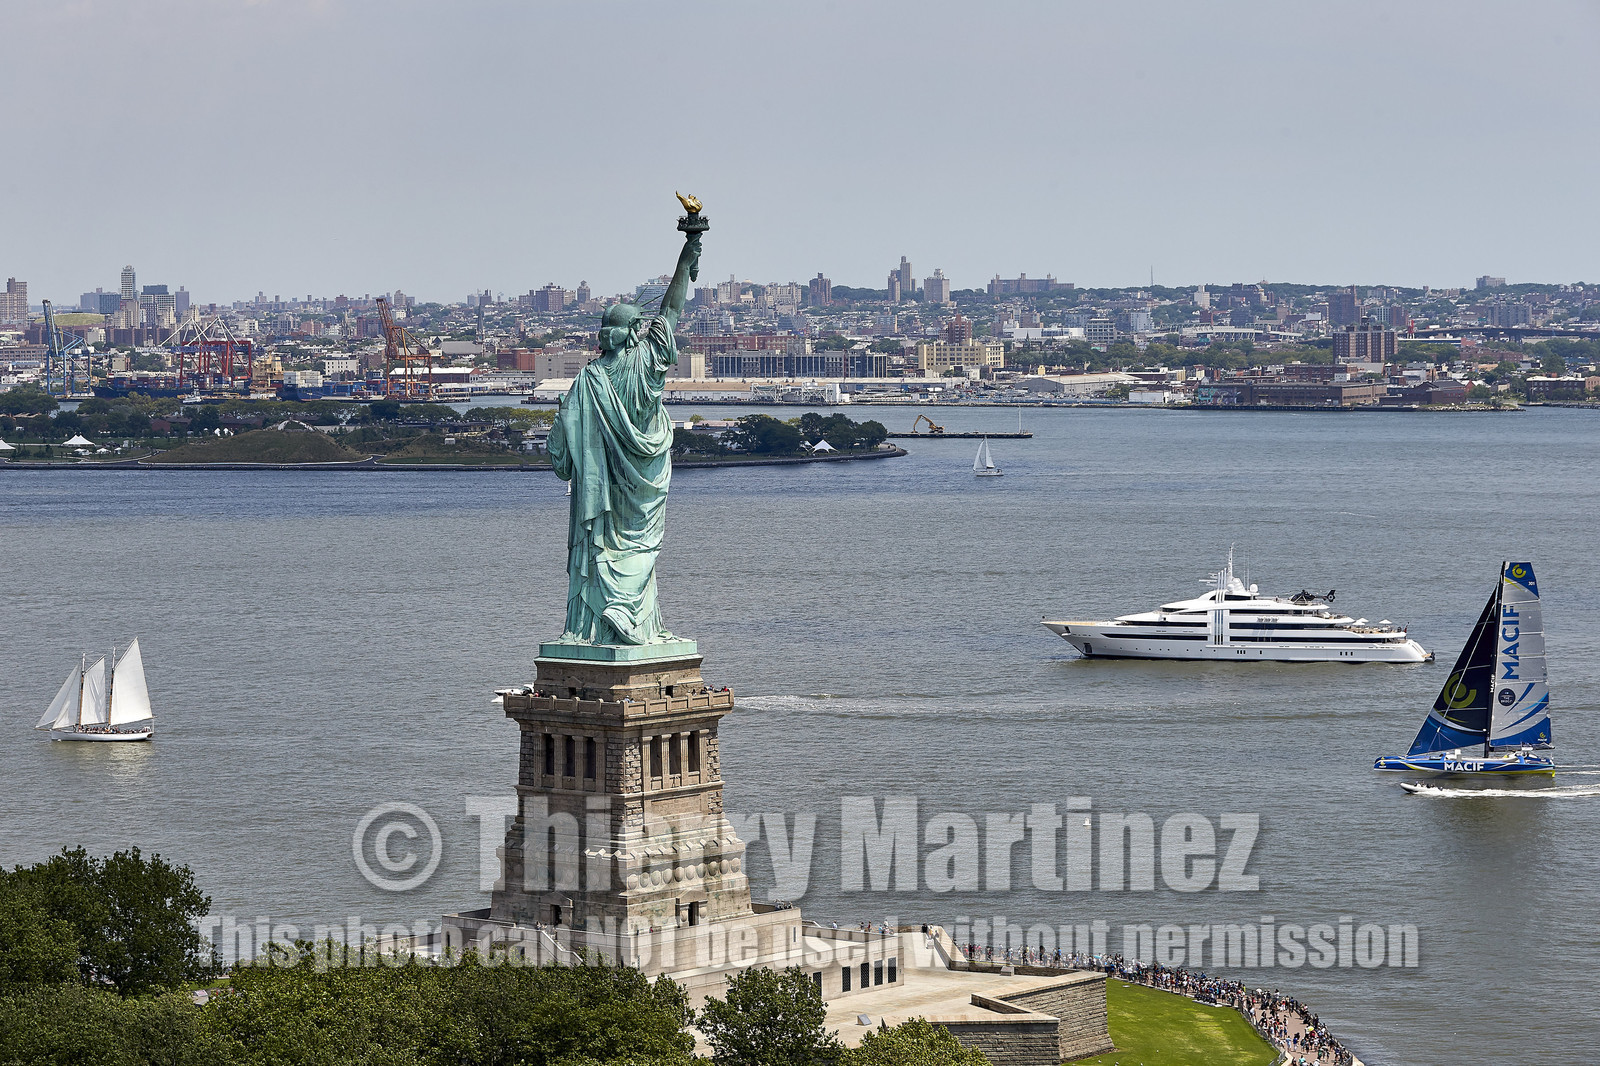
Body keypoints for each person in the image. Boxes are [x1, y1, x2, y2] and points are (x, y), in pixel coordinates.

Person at [548, 226, 703, 645]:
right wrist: (684, 262)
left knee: (601, 544)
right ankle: (635, 619)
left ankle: (593, 624)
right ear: (636, 332)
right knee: (640, 550)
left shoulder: (587, 380)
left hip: (602, 493)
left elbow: (562, 457)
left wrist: (564, 424)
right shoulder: (646, 365)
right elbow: (671, 311)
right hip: (643, 479)